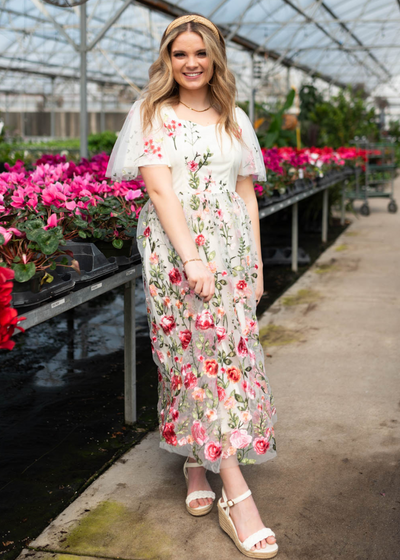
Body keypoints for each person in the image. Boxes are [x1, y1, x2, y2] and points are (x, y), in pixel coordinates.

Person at [106, 13, 278, 558]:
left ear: (215, 58)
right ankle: (238, 496)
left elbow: (246, 193)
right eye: (180, 54)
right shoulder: (152, 114)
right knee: (190, 359)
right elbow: (159, 191)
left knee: (232, 358)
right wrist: (192, 259)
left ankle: (196, 463)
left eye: (200, 53)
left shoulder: (234, 117)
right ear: (168, 59)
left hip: (230, 250)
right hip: (178, 250)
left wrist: (253, 263)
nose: (191, 63)